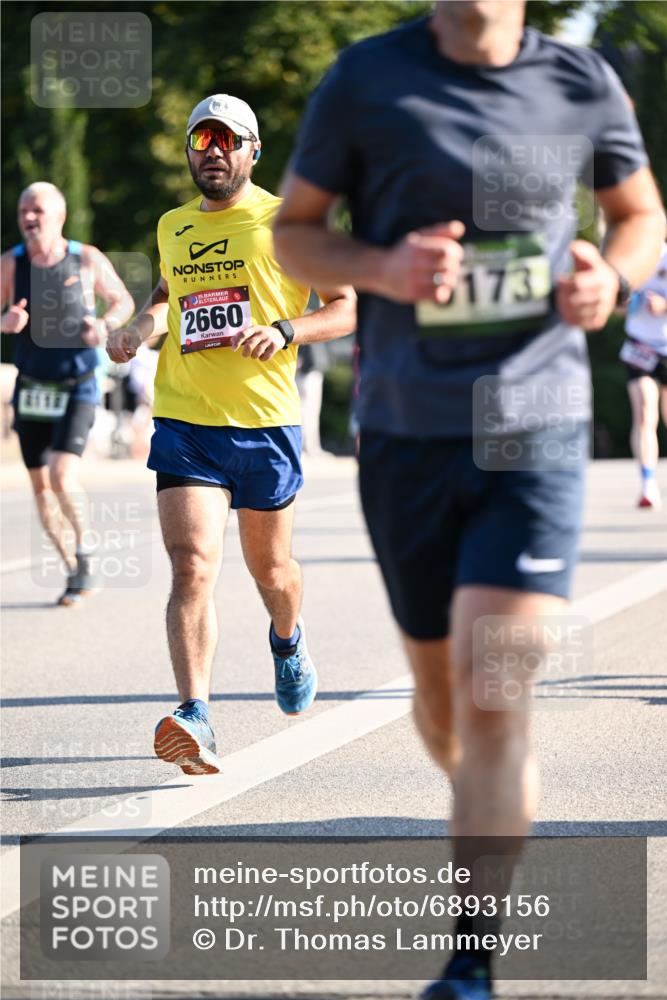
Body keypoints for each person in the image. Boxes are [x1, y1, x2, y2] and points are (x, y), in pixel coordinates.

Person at [272, 3, 665, 997]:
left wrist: (606, 280)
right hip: (406, 429)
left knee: (496, 695)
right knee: (445, 702)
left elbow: (638, 214)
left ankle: (470, 960)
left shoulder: (578, 83)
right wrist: (382, 268)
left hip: (533, 423)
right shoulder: (366, 79)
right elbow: (294, 236)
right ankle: (476, 791)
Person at [107, 94, 355, 776]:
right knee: (192, 566)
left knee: (271, 573)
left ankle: (286, 639)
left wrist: (284, 330)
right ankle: (195, 715)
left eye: (226, 138)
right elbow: (167, 299)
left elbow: (344, 307)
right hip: (186, 420)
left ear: (252, 151)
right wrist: (136, 329)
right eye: (200, 138)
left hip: (264, 425)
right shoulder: (173, 225)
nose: (211, 149)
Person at [0, 182, 134, 605]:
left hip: (77, 386)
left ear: (58, 215)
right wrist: (6, 320)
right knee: (41, 487)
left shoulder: (86, 258)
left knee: (61, 473)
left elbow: (122, 301)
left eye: (37, 209)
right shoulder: (10, 263)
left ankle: (86, 547)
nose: (29, 216)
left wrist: (106, 325)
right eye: (24, 209)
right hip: (32, 388)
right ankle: (73, 568)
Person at [621, 238, 667, 509]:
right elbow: (611, 304)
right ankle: (648, 483)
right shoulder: (630, 258)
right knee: (644, 412)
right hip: (639, 346)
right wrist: (626, 302)